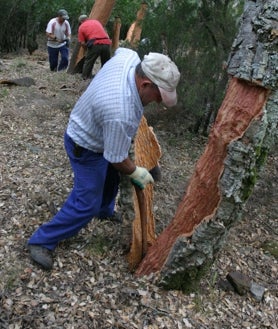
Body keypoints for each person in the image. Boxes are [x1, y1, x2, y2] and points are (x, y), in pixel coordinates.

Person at [27, 47, 180, 270]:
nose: (158, 102)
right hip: (85, 144)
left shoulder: (130, 58)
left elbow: (120, 50)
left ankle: (104, 210)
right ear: (145, 84)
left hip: (101, 132)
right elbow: (117, 158)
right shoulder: (120, 112)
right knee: (86, 202)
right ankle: (42, 240)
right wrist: (137, 172)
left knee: (112, 179)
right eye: (158, 96)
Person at [78, 15, 112, 79]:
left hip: (95, 43)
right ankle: (106, 77)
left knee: (89, 61)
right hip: (106, 42)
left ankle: (85, 77)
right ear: (87, 19)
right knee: (106, 62)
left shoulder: (81, 27)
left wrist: (86, 50)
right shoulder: (96, 22)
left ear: (80, 21)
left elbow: (82, 43)